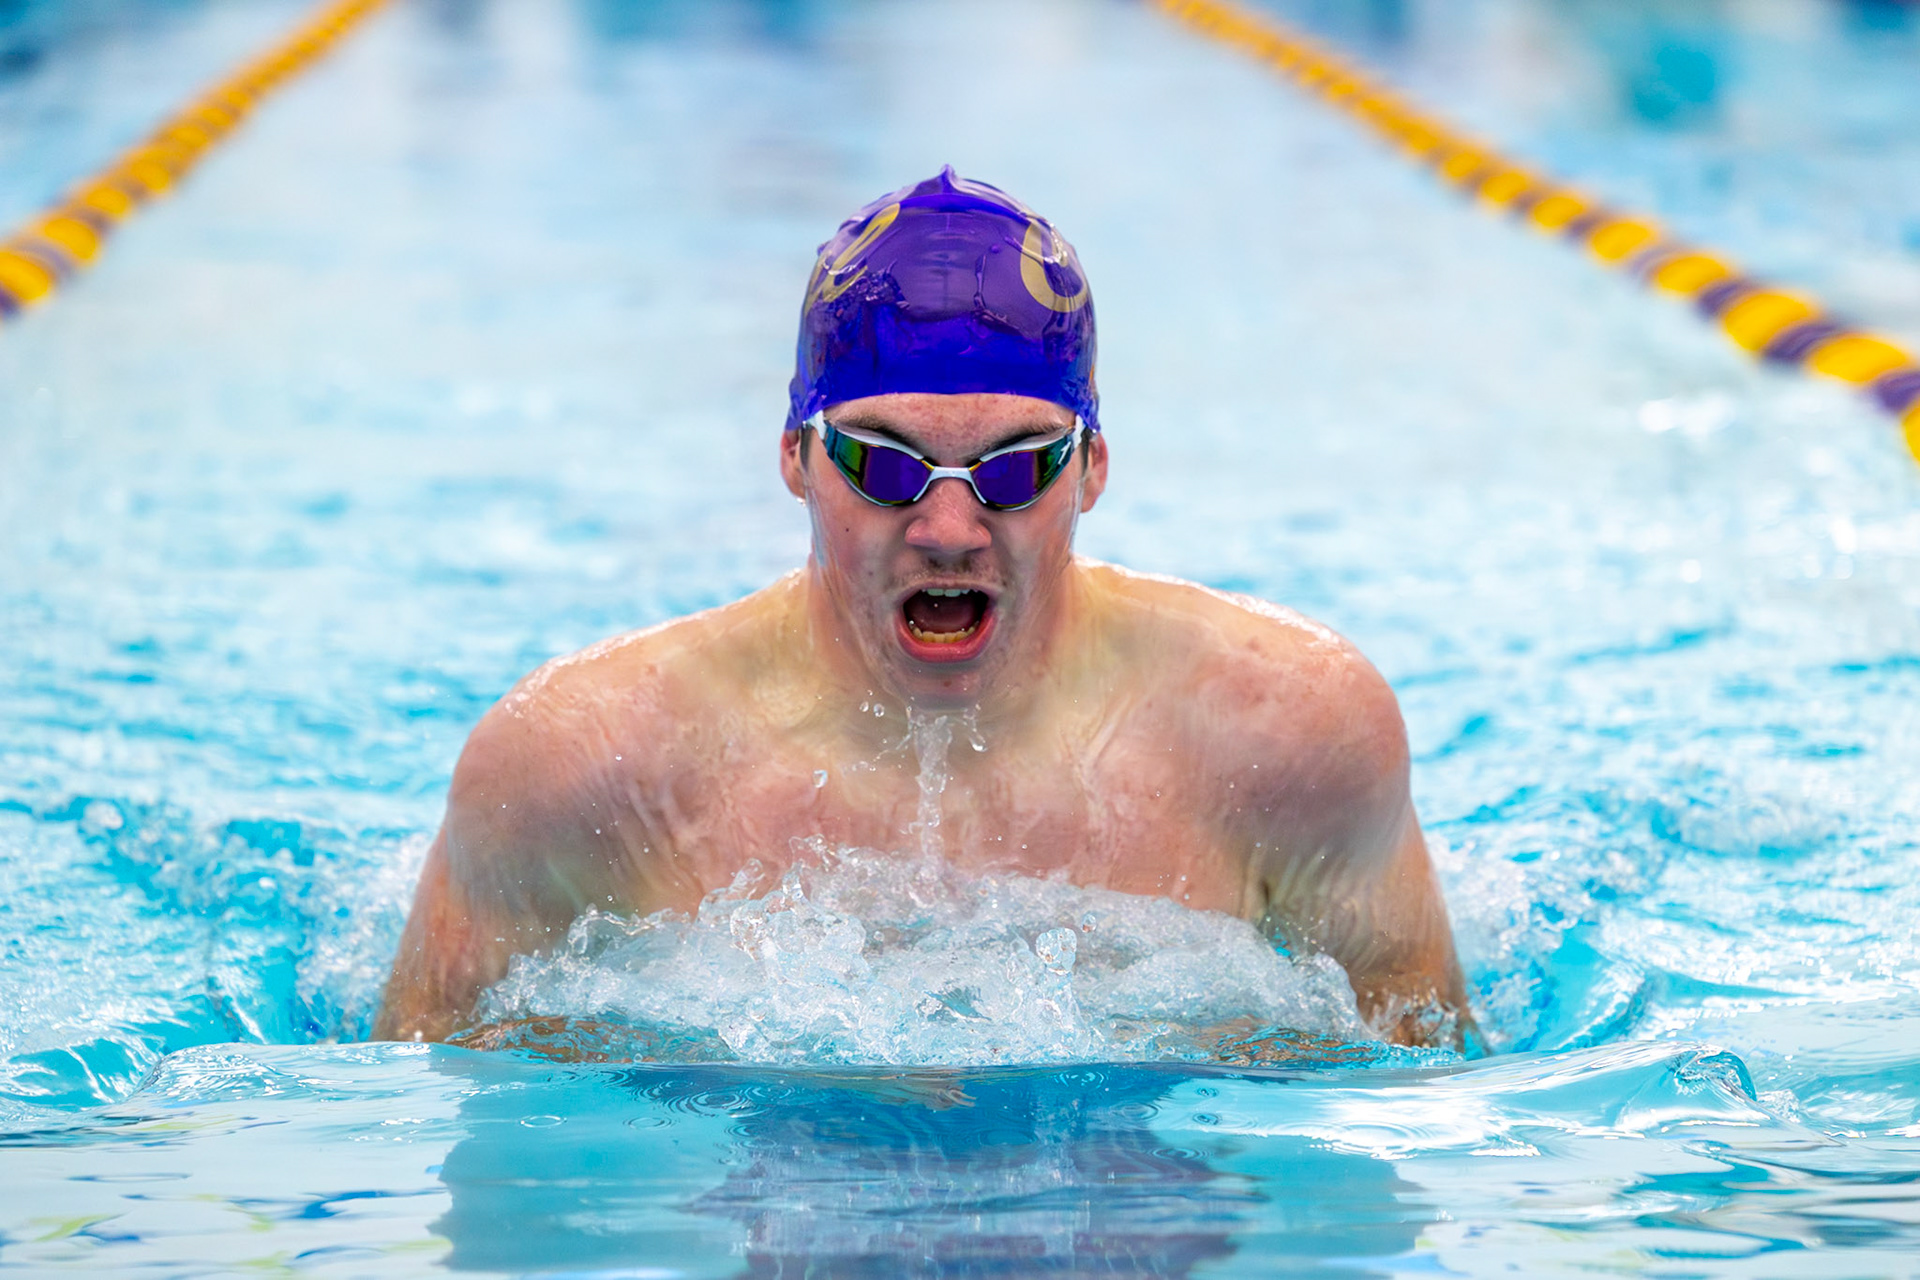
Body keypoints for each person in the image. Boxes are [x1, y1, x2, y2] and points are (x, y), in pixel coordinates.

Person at [375, 167, 1473, 1048]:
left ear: (1091, 469)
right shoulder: (576, 769)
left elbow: (1415, 1093)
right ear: (796, 459)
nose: (949, 527)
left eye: (1012, 468)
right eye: (886, 464)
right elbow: (427, 1112)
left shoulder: (1287, 733)